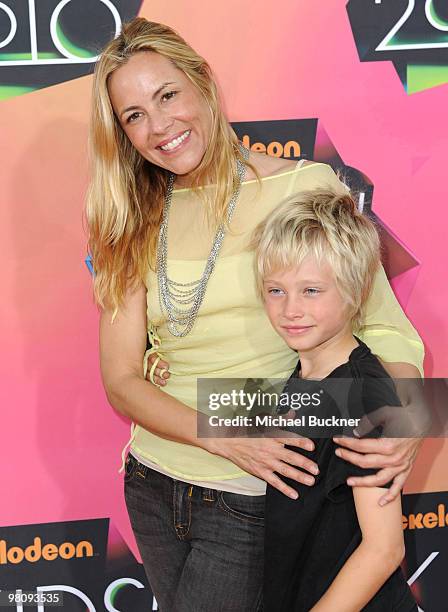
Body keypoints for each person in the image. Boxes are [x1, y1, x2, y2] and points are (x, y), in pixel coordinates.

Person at [86, 17, 423, 612]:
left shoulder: (304, 185)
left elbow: (385, 325)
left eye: (167, 96)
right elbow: (120, 381)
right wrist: (227, 431)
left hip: (257, 486)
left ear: (202, 84)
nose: (159, 126)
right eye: (134, 114)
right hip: (153, 480)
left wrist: (404, 418)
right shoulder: (128, 218)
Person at [252, 189, 418, 611]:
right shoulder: (305, 374)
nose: (291, 309)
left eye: (311, 290)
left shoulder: (364, 395)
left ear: (355, 292)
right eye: (276, 291)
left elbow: (384, 550)